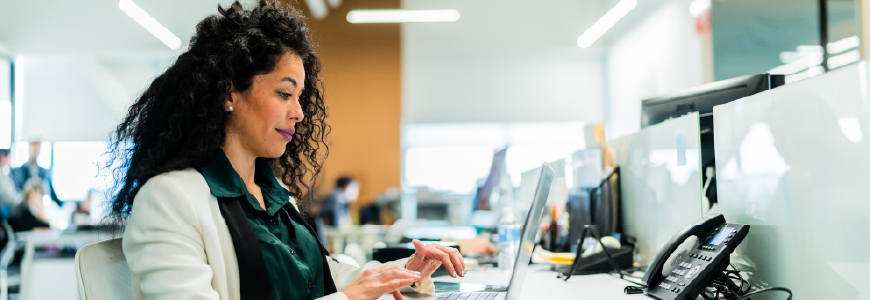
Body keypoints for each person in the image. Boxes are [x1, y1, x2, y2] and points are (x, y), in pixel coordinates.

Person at [106, 2, 468, 300]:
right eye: (284, 94)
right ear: (229, 93)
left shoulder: (276, 196)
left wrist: (403, 273)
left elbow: (326, 276)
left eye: (299, 97)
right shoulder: (169, 199)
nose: (299, 112)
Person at [10, 141, 61, 206]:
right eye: (34, 148)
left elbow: (51, 190)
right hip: (24, 205)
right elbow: (17, 191)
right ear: (29, 149)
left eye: (37, 149)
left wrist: (61, 205)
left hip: (40, 205)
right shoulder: (19, 171)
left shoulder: (43, 171)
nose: (35, 151)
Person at [0, 149, 19, 217]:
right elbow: (11, 196)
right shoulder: (1, 176)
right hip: (7, 209)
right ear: (3, 157)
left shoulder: (5, 175)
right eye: (9, 157)